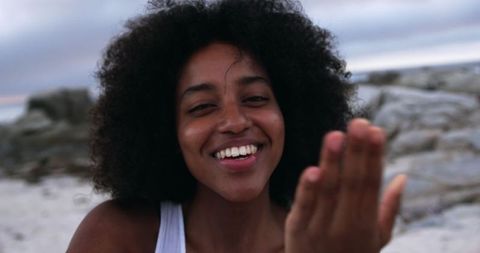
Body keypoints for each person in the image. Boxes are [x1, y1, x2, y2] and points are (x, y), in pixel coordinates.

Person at [67, 0, 407, 252]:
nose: (234, 122)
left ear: (289, 112)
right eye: (202, 107)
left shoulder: (323, 244)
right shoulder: (120, 236)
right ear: (166, 130)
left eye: (256, 98)